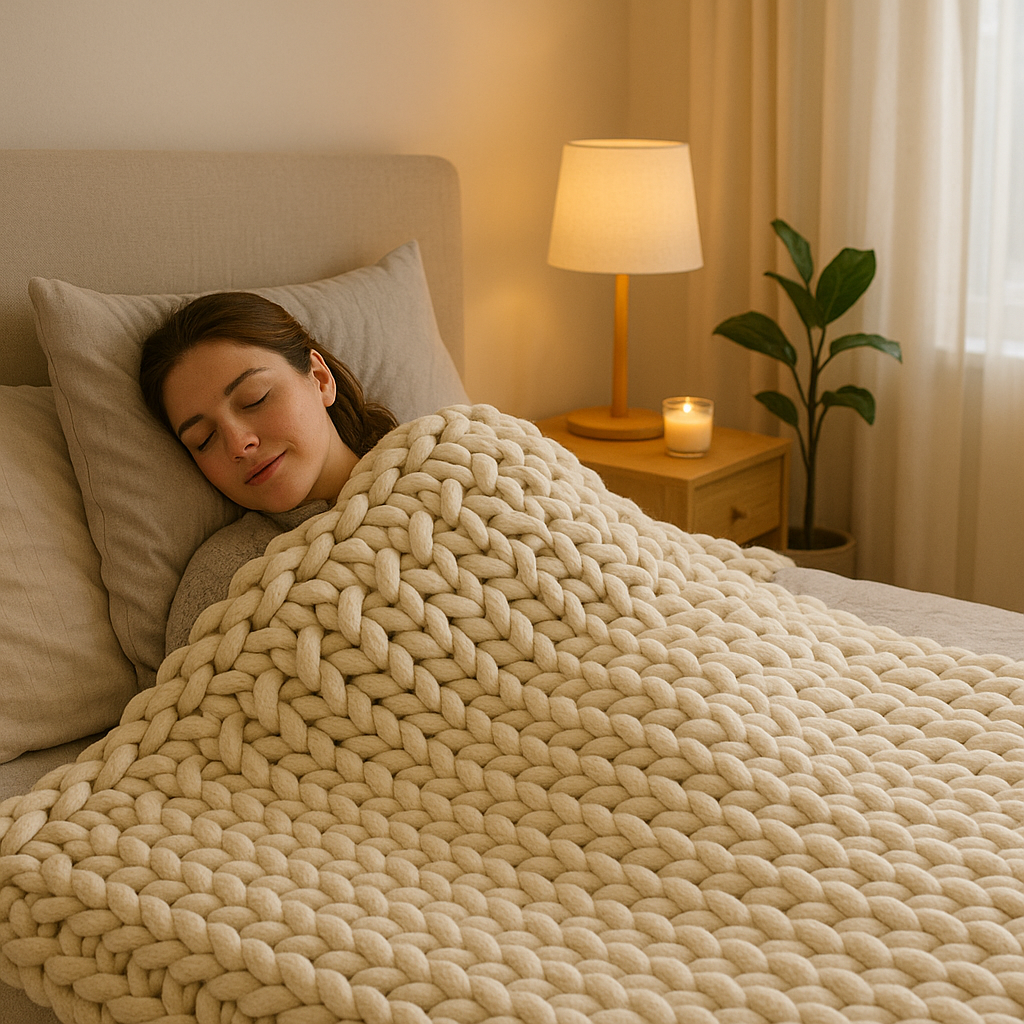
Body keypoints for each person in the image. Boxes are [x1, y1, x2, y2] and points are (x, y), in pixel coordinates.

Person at [140, 291, 397, 653]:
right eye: (204, 439)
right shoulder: (223, 583)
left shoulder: (446, 460)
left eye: (255, 398)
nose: (237, 444)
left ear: (320, 379)